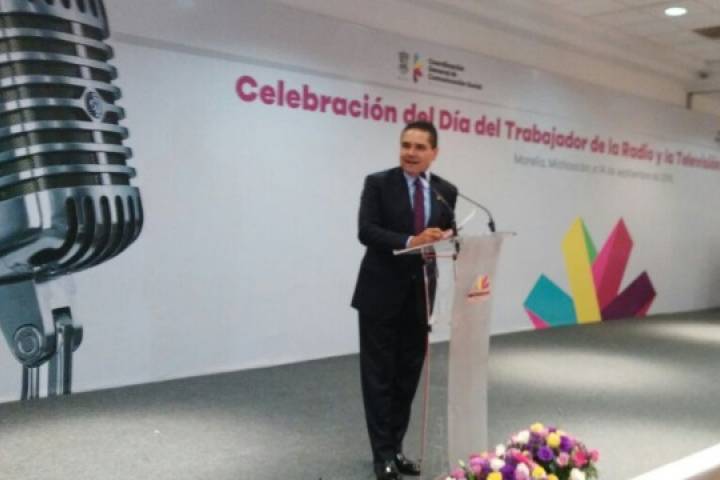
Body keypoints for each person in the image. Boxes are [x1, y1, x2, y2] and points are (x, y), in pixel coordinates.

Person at [351, 121, 457, 480]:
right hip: (380, 294)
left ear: (434, 153)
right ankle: (381, 455)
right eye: (405, 145)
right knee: (379, 378)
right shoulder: (378, 183)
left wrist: (446, 237)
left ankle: (396, 449)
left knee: (406, 378)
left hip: (421, 296)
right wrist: (412, 241)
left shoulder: (445, 191)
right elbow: (367, 231)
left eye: (419, 147)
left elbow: (449, 232)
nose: (410, 153)